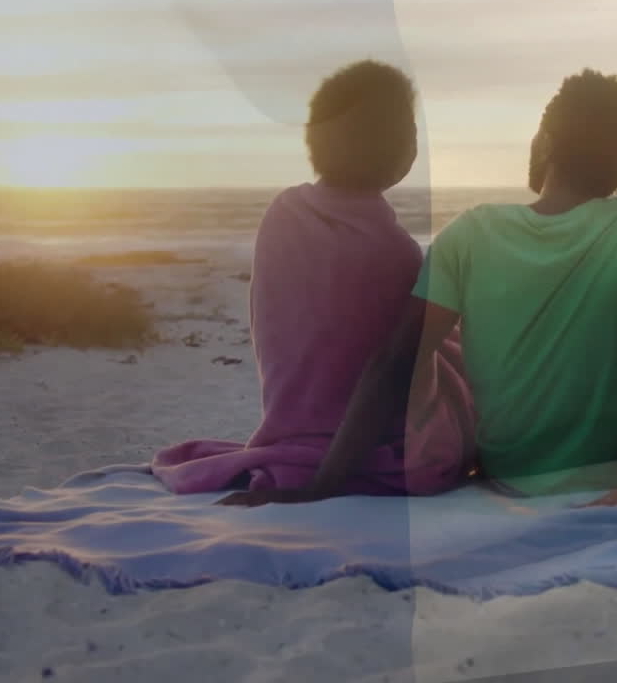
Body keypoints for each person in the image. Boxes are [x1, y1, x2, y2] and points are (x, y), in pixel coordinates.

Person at [225, 69, 617, 510]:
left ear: (544, 141)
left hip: (507, 472)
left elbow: (395, 361)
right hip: (611, 466)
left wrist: (322, 486)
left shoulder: (470, 232)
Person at [181, 60, 476, 502]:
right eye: (410, 130)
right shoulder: (394, 253)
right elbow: (388, 371)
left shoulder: (283, 214)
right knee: (467, 356)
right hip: (379, 450)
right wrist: (324, 487)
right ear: (400, 148)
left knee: (447, 335)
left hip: (292, 432)